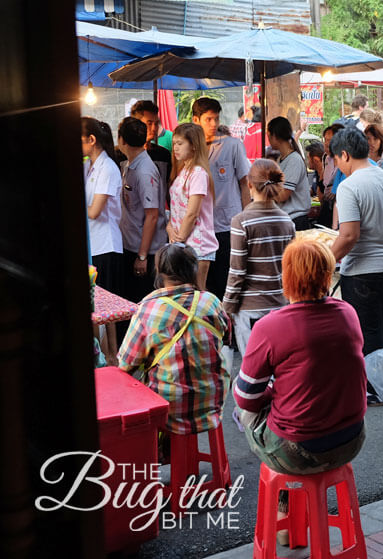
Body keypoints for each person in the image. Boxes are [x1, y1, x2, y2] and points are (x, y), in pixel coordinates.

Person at [234, 237, 366, 480]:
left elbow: (246, 398)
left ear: (287, 276)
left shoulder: (269, 327)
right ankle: (292, 503)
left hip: (301, 451)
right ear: (327, 275)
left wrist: (272, 393)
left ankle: (285, 504)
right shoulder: (348, 313)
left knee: (241, 398)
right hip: (352, 439)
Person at [118, 243, 230, 435]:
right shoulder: (211, 301)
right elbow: (226, 338)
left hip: (170, 412)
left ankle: (162, 451)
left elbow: (126, 364)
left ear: (160, 271)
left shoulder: (148, 309)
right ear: (193, 269)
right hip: (213, 403)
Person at [329, 128, 383, 404]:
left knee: (366, 331)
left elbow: (349, 235)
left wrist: (325, 260)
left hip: (364, 272)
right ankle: (382, 382)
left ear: (345, 155)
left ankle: (374, 389)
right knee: (380, 327)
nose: (337, 166)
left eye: (336, 160)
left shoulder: (349, 186)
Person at [222, 159, 295, 373]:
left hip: (250, 309)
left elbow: (237, 271)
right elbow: (290, 269)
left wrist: (227, 308)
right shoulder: (287, 221)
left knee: (254, 372)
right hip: (280, 306)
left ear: (249, 184)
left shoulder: (241, 221)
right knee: (278, 370)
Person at [191, 97, 251, 299]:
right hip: (199, 227)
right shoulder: (190, 147)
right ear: (196, 120)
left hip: (227, 226)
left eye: (216, 119)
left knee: (227, 282)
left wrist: (245, 218)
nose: (214, 124)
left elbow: (245, 183)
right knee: (202, 286)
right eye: (208, 119)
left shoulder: (233, 145)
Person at [118, 116, 167, 302]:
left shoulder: (145, 170)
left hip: (143, 249)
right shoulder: (131, 164)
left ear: (121, 139)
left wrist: (142, 256)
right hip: (130, 244)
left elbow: (152, 215)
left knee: (141, 302)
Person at [167, 123, 218, 290]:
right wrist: (170, 228)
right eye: (174, 143)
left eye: (180, 143)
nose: (176, 148)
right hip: (181, 242)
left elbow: (192, 213)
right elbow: (177, 210)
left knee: (197, 293)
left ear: (194, 146)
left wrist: (179, 239)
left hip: (197, 245)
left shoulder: (198, 173)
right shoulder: (183, 171)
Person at [82, 117, 124, 294]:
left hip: (106, 245)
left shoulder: (107, 168)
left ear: (92, 140)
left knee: (106, 304)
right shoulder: (87, 166)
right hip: (93, 243)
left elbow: (94, 212)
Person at [264, 117, 311, 231]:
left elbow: (283, 195)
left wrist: (263, 192)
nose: (268, 138)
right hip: (286, 219)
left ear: (275, 136)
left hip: (296, 220)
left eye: (269, 135)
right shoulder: (281, 159)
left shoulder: (293, 160)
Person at [129, 100, 174, 203]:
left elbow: (168, 189)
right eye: (149, 123)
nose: (154, 128)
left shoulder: (163, 155)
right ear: (136, 124)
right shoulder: (121, 154)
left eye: (156, 123)